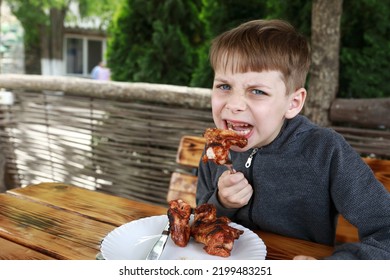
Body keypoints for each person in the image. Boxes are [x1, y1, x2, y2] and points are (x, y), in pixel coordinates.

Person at [196, 19, 390, 260]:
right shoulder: (215, 151)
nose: (234, 105)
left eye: (257, 91)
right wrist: (223, 202)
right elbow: (199, 226)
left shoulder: (326, 151)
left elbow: (386, 230)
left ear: (293, 103)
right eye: (224, 86)